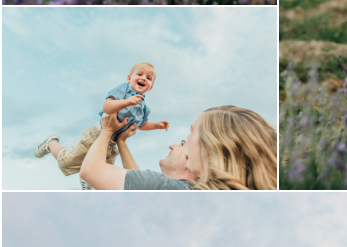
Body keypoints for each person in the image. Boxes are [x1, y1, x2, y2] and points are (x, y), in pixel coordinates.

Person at [79, 104, 277, 192]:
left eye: (188, 137)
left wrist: (106, 131)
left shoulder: (169, 188)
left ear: (207, 150)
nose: (174, 144)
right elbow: (137, 180)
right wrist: (121, 142)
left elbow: (90, 170)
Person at [35, 63, 167, 183]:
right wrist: (126, 102)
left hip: (112, 145)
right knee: (66, 162)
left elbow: (141, 124)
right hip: (97, 135)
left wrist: (156, 126)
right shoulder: (124, 90)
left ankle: (87, 180)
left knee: (102, 175)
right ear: (129, 78)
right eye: (139, 74)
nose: (144, 78)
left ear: (150, 87)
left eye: (149, 78)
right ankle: (51, 143)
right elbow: (106, 106)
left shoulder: (144, 109)